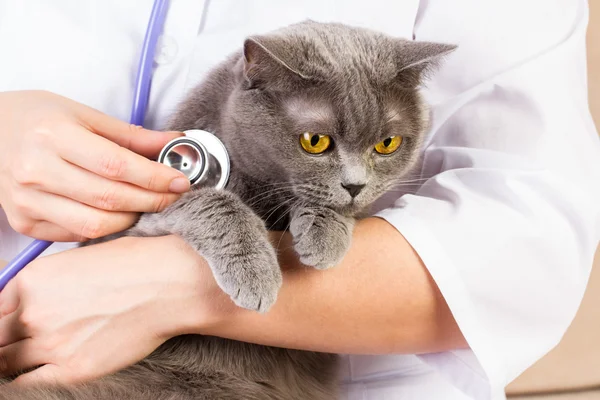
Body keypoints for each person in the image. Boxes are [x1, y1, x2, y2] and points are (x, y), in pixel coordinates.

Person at [0, 1, 599, 399]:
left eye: (386, 145)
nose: (358, 176)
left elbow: (528, 244)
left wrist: (182, 286)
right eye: (318, 142)